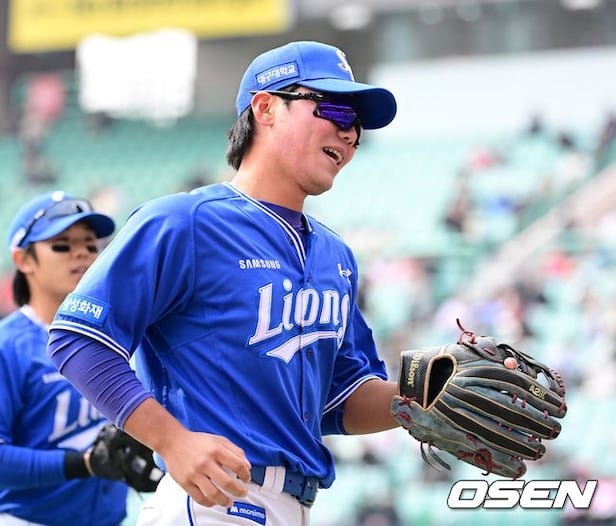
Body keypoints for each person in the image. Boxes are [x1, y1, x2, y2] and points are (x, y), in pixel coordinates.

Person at [47, 41, 399, 526]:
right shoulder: (186, 222)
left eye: (357, 123)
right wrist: (172, 441)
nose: (350, 131)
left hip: (293, 506)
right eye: (334, 109)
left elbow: (340, 401)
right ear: (265, 108)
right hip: (215, 503)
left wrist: (427, 402)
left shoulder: (336, 256)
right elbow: (78, 338)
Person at [0, 190, 129, 525]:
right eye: (62, 244)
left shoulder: (117, 336)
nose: (82, 253)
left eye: (90, 244)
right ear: (23, 260)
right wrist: (84, 464)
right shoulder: (7, 346)